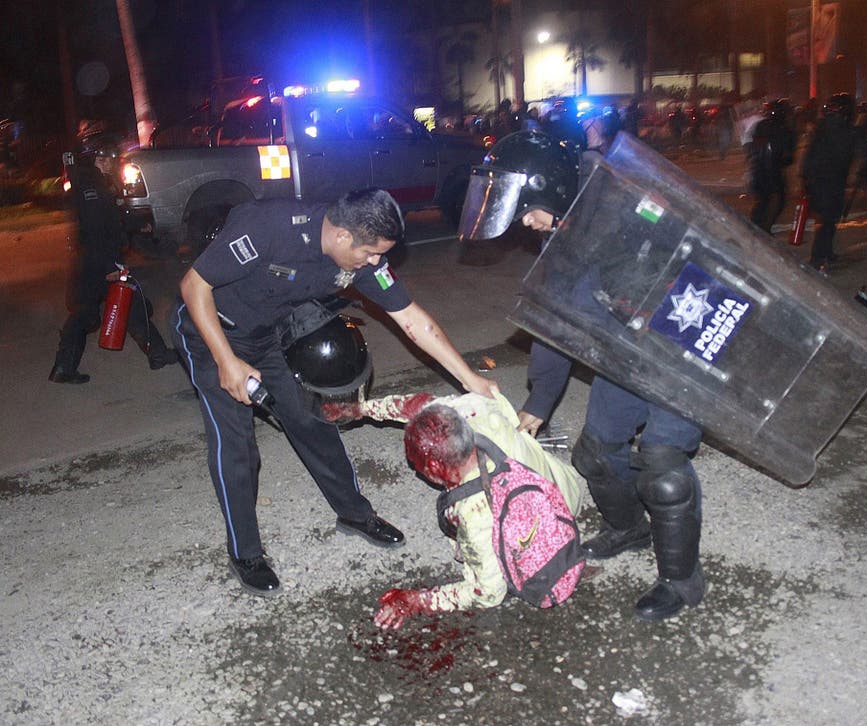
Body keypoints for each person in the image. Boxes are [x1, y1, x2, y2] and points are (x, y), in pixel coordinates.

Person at [171, 188, 497, 597]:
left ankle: (355, 515)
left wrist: (470, 378)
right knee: (235, 442)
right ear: (343, 236)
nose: (377, 263)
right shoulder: (267, 227)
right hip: (210, 334)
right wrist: (225, 361)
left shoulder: (359, 259)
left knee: (312, 418)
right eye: (373, 254)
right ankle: (246, 553)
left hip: (266, 336)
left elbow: (412, 319)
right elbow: (193, 285)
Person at [458, 131, 706, 621]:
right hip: (626, 351)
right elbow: (559, 320)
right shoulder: (567, 226)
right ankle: (630, 529)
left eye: (528, 211)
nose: (526, 225)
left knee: (662, 463)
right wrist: (539, 403)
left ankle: (682, 581)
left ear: (548, 187)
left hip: (679, 348)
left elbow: (692, 259)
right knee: (595, 453)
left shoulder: (619, 203)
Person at [320, 390, 584, 629]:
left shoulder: (475, 513)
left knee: (481, 552)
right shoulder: (474, 409)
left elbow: (489, 593)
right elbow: (414, 405)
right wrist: (360, 409)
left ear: (434, 472)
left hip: (556, 527)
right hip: (565, 486)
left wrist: (417, 600)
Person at [49, 130, 178, 383]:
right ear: (101, 158)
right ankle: (64, 367)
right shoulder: (92, 187)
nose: (114, 162)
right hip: (99, 260)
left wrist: (136, 227)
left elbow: (109, 221)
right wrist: (111, 264)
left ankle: (157, 354)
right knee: (91, 313)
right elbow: (97, 229)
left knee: (118, 306)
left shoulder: (92, 183)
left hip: (92, 259)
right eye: (111, 157)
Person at [801, 92, 858, 272]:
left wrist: (805, 180)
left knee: (828, 219)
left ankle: (826, 252)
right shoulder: (845, 130)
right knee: (828, 220)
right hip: (831, 181)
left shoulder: (822, 128)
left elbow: (809, 156)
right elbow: (855, 152)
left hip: (819, 180)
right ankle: (818, 257)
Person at [748, 99, 796, 234]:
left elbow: (752, 146)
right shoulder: (784, 130)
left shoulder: (761, 125)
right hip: (773, 170)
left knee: (762, 200)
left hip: (758, 169)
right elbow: (788, 157)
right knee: (778, 199)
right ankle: (764, 228)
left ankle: (755, 227)